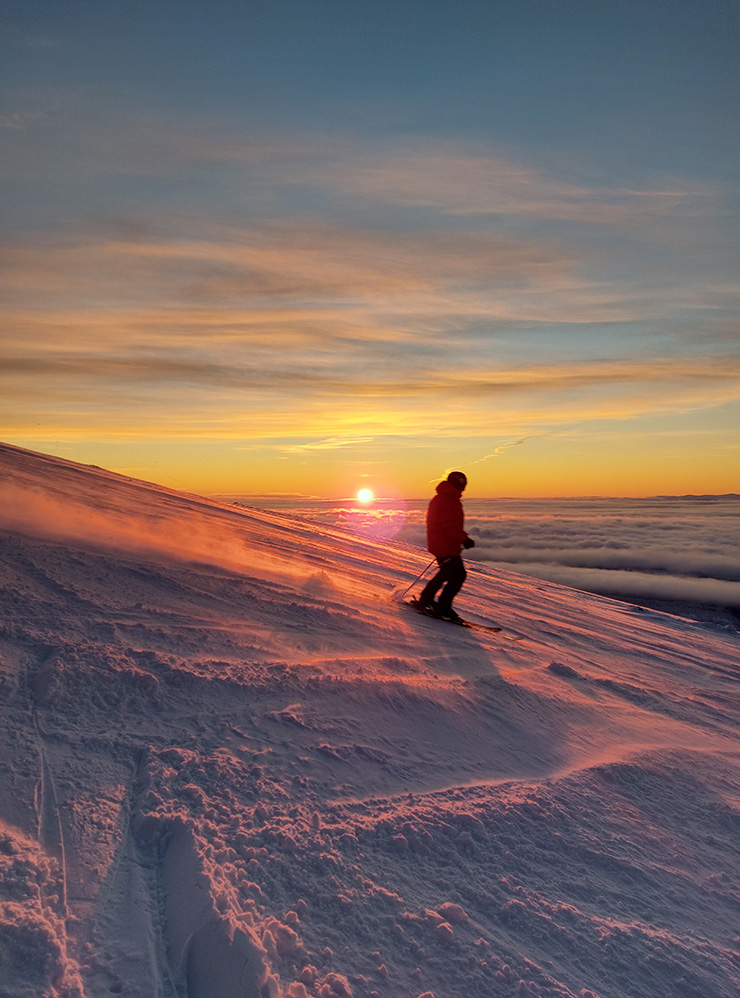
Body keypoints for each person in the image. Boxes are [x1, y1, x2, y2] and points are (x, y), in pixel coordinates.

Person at [417, 471, 475, 623]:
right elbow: (449, 525)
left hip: (440, 543)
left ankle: (427, 599)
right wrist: (464, 539)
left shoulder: (442, 497)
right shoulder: (449, 500)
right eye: (462, 485)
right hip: (444, 544)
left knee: (447, 573)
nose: (463, 489)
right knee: (458, 574)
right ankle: (442, 606)